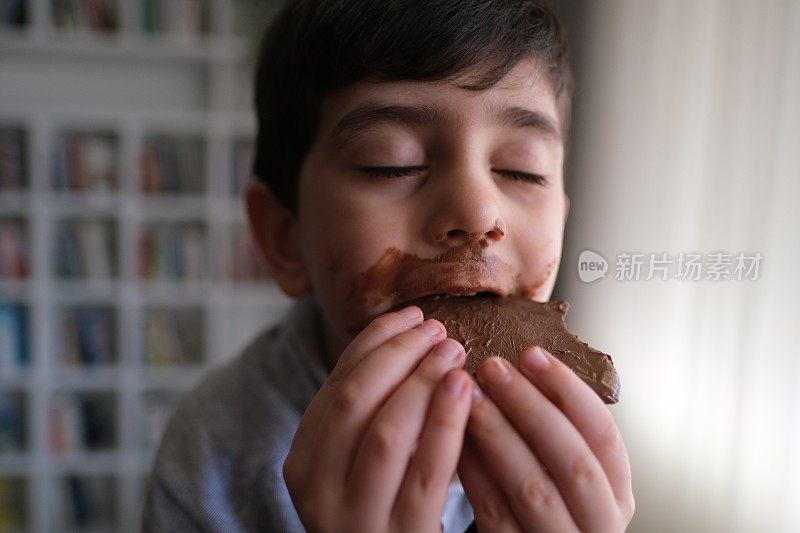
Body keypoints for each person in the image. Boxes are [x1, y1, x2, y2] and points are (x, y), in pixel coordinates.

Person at [142, 0, 635, 531]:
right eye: (391, 163)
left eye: (523, 171)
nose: (477, 214)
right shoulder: (215, 454)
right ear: (286, 238)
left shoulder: (571, 445)